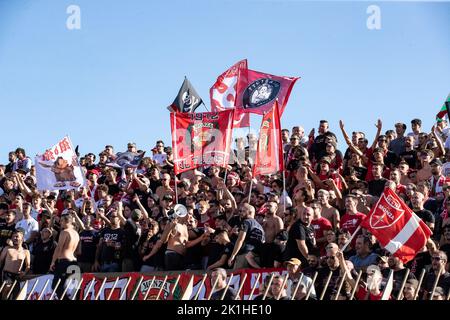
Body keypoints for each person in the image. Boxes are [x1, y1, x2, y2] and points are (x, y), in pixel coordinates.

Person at [49, 214, 80, 300]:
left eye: (62, 220)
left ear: (67, 221)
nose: (60, 222)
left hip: (64, 262)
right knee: (74, 288)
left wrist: (53, 262)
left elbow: (59, 248)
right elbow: (78, 251)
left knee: (56, 286)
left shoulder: (65, 232)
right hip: (74, 262)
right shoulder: (76, 233)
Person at [228, 204, 265, 270]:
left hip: (244, 256)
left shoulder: (246, 222)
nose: (240, 213)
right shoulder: (260, 226)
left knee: (239, 278)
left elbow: (240, 240)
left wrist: (233, 255)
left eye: (243, 211)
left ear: (250, 212)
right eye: (240, 211)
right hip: (255, 257)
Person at [0, 229, 30, 299]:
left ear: (22, 239)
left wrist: (24, 272)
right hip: (6, 274)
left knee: (16, 295)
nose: (14, 238)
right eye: (13, 237)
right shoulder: (7, 249)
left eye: (17, 236)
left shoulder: (26, 252)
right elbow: (0, 261)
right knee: (6, 290)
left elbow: (28, 265)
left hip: (17, 276)